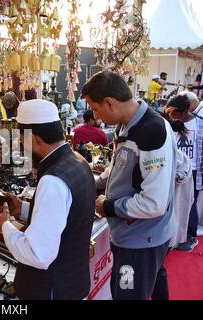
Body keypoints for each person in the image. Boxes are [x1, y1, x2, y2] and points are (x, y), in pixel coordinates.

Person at [0, 99, 96, 300]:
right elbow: (66, 215)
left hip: (53, 289)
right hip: (72, 282)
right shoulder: (78, 161)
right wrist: (25, 209)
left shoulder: (53, 180)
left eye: (21, 139)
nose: (21, 145)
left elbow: (38, 255)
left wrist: (4, 225)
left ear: (34, 138)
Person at [82, 71, 177, 300]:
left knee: (128, 294)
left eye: (95, 109)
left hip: (140, 243)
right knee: (151, 285)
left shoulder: (151, 131)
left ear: (110, 103)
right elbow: (119, 169)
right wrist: (91, 182)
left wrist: (110, 206)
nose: (95, 115)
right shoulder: (126, 126)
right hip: (132, 237)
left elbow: (155, 203)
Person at [164, 94, 202, 251]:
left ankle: (189, 235)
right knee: (171, 203)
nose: (170, 116)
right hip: (171, 169)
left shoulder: (199, 123)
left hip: (192, 170)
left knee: (189, 203)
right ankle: (172, 235)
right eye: (168, 113)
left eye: (173, 113)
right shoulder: (168, 123)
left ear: (184, 111)